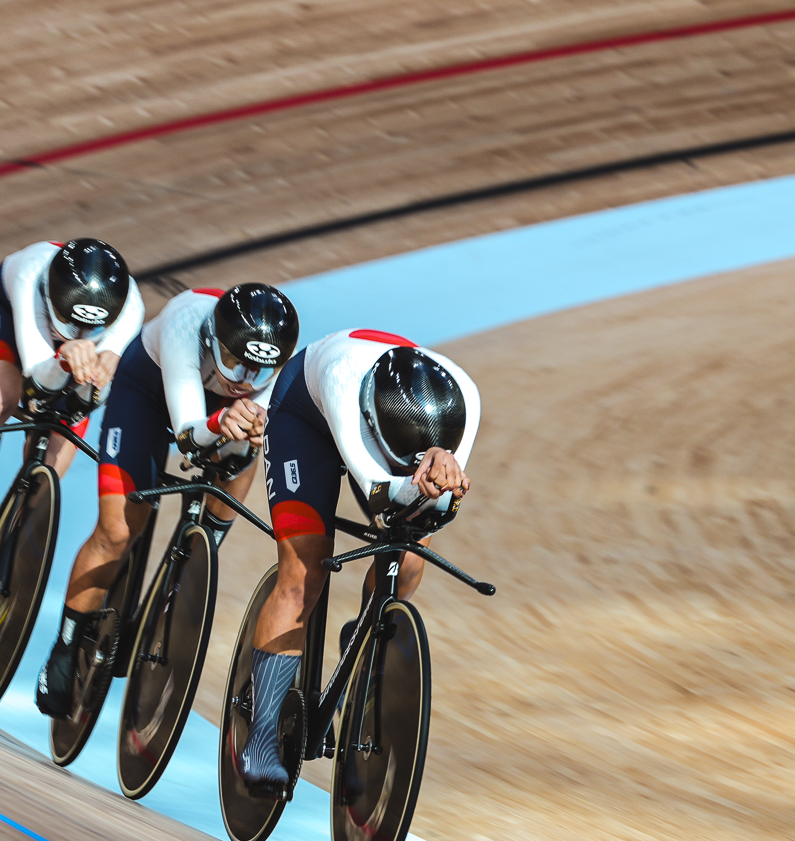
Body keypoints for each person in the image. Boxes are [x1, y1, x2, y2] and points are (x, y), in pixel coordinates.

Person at [35, 282, 299, 717]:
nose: (244, 381)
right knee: (118, 531)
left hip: (212, 412)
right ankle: (64, 648)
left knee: (251, 443)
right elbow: (189, 434)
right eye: (234, 363)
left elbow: (255, 425)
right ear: (214, 341)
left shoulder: (272, 370)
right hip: (152, 393)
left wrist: (249, 429)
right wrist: (224, 419)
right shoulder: (185, 323)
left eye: (259, 372)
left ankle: (203, 545)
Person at [235, 328, 479, 794]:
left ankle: (364, 629)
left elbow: (436, 510)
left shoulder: (465, 397)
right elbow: (377, 489)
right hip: (307, 417)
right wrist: (419, 483)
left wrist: (443, 488)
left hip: (398, 446)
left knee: (408, 557)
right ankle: (260, 737)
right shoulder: (343, 381)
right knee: (303, 573)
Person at [0, 238, 144, 587]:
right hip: (1, 310)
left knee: (68, 421)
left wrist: (96, 375)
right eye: (72, 321)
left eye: (90, 326)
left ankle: (20, 529)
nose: (79, 330)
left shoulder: (130, 310)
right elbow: (36, 382)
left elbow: (92, 395)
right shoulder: (31, 278)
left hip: (74, 342)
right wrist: (65, 357)